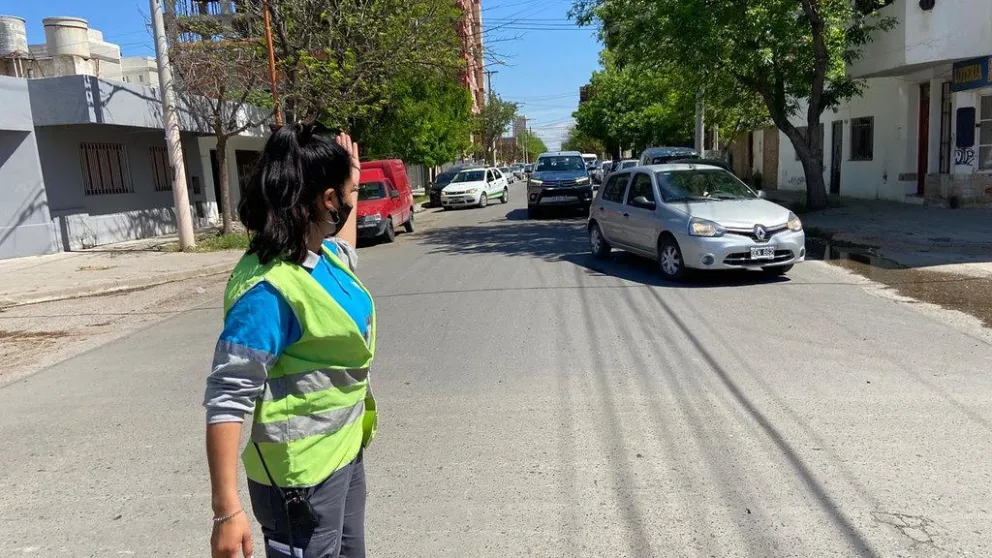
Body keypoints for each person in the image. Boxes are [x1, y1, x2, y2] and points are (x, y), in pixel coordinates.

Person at [204, 122, 378, 558]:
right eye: (346, 192)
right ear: (326, 200)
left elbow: (347, 244)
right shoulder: (267, 289)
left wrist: (349, 178)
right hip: (299, 477)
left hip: (342, 449)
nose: (351, 200)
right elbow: (228, 398)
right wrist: (227, 512)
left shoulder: (321, 257)